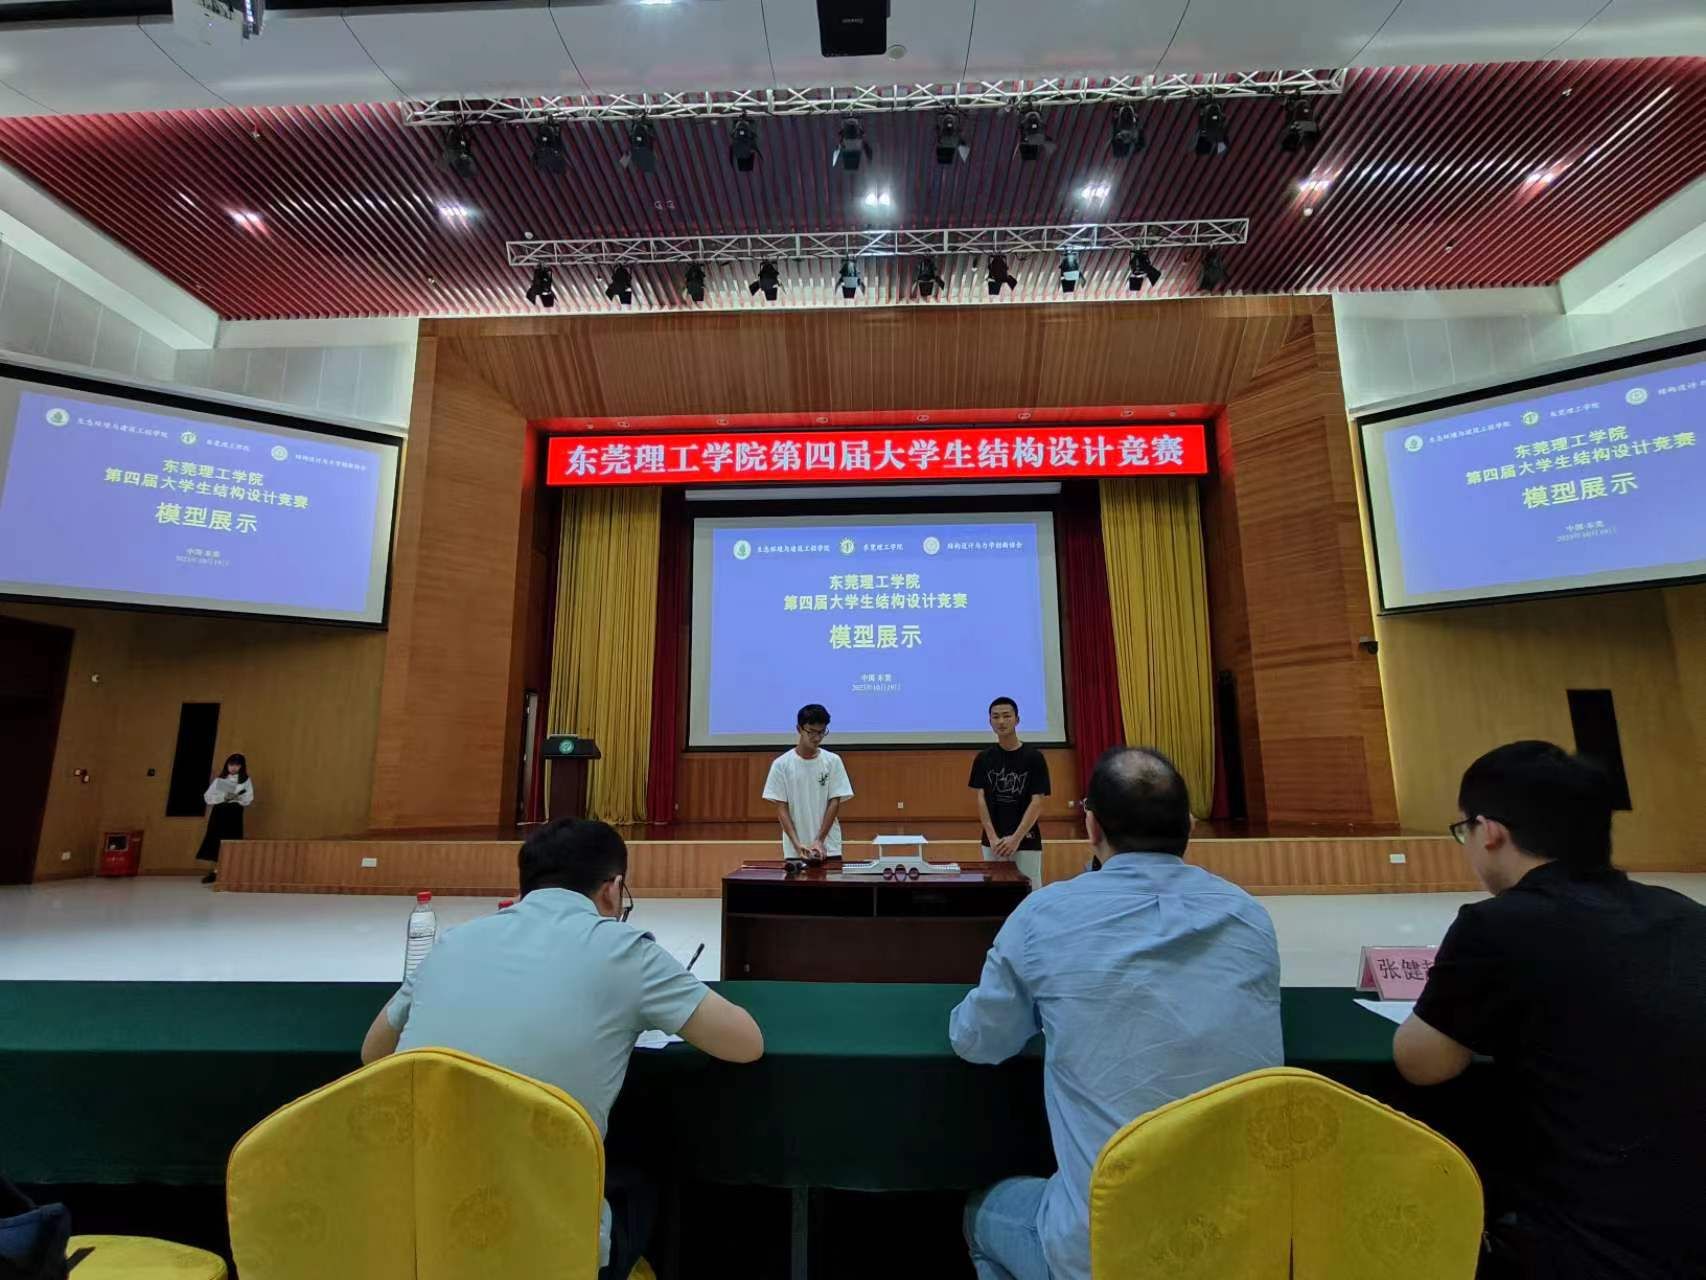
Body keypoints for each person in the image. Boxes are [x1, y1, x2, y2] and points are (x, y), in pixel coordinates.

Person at [360, 818, 764, 1280]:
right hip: (545, 1248)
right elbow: (745, 1044)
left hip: (416, 1235)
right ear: (613, 890)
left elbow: (374, 1053)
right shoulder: (623, 949)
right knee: (649, 1161)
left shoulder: (453, 942)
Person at [949, 746, 1281, 1280]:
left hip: (1103, 1251)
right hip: (1242, 1248)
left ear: (1092, 827)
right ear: (1190, 826)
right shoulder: (1249, 916)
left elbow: (976, 1041)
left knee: (980, 1213)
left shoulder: (1045, 915)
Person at [1394, 740, 1706, 1280]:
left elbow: (1421, 1063)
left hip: (1582, 1246)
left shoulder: (1497, 924)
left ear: (1490, 832)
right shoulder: (1688, 916)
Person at [969, 696, 1051, 887]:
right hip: (993, 842)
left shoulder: (1034, 758)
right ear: (990, 722)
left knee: (1029, 891)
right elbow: (981, 799)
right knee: (996, 893)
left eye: (1007, 716)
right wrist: (992, 837)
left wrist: (1016, 838)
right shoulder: (983, 758)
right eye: (996, 717)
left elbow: (1037, 802)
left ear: (1017, 720)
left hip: (1026, 840)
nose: (1001, 721)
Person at [762, 703, 854, 862]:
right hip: (796, 850)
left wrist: (819, 840)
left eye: (822, 732)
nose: (817, 738)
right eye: (811, 732)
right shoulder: (781, 764)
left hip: (828, 847)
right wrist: (797, 844)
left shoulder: (833, 761)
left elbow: (834, 802)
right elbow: (782, 809)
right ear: (799, 729)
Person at [195, 752, 252, 884]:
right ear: (227, 765)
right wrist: (223, 797)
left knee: (232, 839)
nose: (233, 768)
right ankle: (216, 872)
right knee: (216, 839)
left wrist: (237, 797)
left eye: (237, 765)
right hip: (220, 812)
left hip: (235, 813)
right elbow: (208, 797)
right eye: (231, 764)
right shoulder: (219, 780)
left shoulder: (245, 780)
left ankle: (229, 872)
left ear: (242, 766)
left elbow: (248, 798)